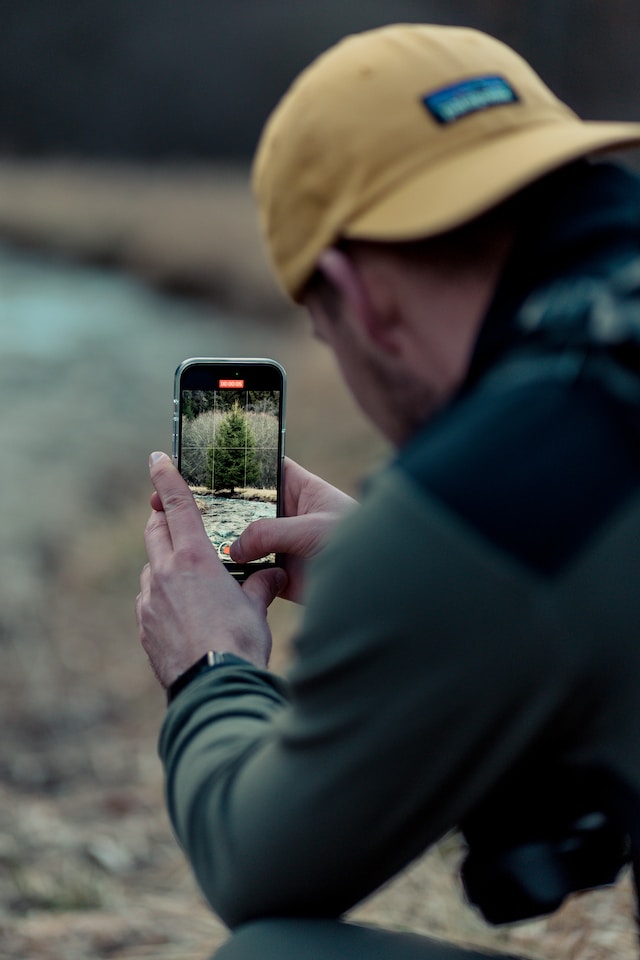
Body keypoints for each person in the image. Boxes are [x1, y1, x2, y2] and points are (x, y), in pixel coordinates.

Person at [136, 23, 640, 959]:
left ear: (357, 296)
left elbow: (260, 862)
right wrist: (426, 580)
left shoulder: (495, 493)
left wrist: (211, 664)